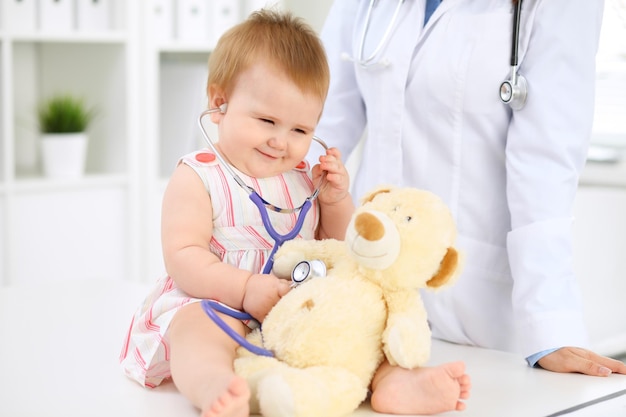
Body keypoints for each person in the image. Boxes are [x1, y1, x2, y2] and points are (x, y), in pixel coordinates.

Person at [119, 9, 469, 417]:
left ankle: (393, 383)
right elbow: (183, 258)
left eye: (301, 130)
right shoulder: (199, 176)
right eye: (267, 120)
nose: (281, 142)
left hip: (301, 315)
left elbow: (341, 248)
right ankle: (216, 385)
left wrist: (336, 199)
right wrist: (245, 288)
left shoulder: (307, 180)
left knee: (362, 321)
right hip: (220, 303)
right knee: (198, 333)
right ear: (219, 104)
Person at [313, 0, 626, 414]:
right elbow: (317, 123)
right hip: (369, 286)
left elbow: (544, 161)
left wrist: (551, 325)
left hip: (479, 305)